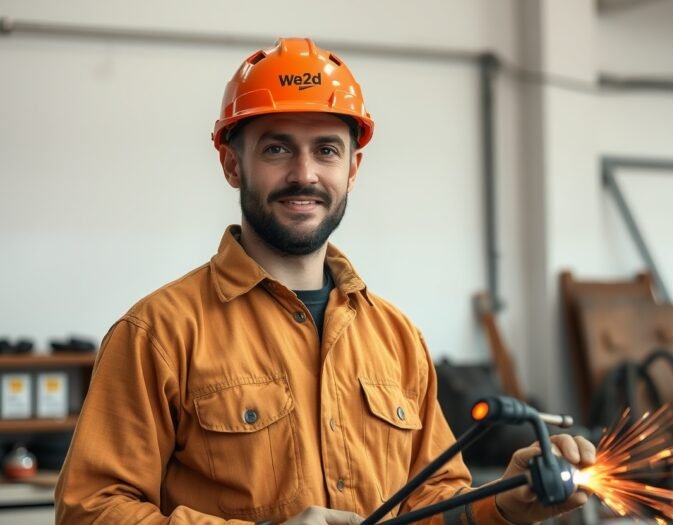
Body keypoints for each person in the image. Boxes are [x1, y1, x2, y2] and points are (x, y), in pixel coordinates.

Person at [54, 38, 595, 525]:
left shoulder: (398, 338)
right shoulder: (158, 332)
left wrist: (504, 501)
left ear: (352, 169)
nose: (305, 174)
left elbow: (432, 506)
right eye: (276, 147)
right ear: (232, 165)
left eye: (327, 150)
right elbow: (89, 511)